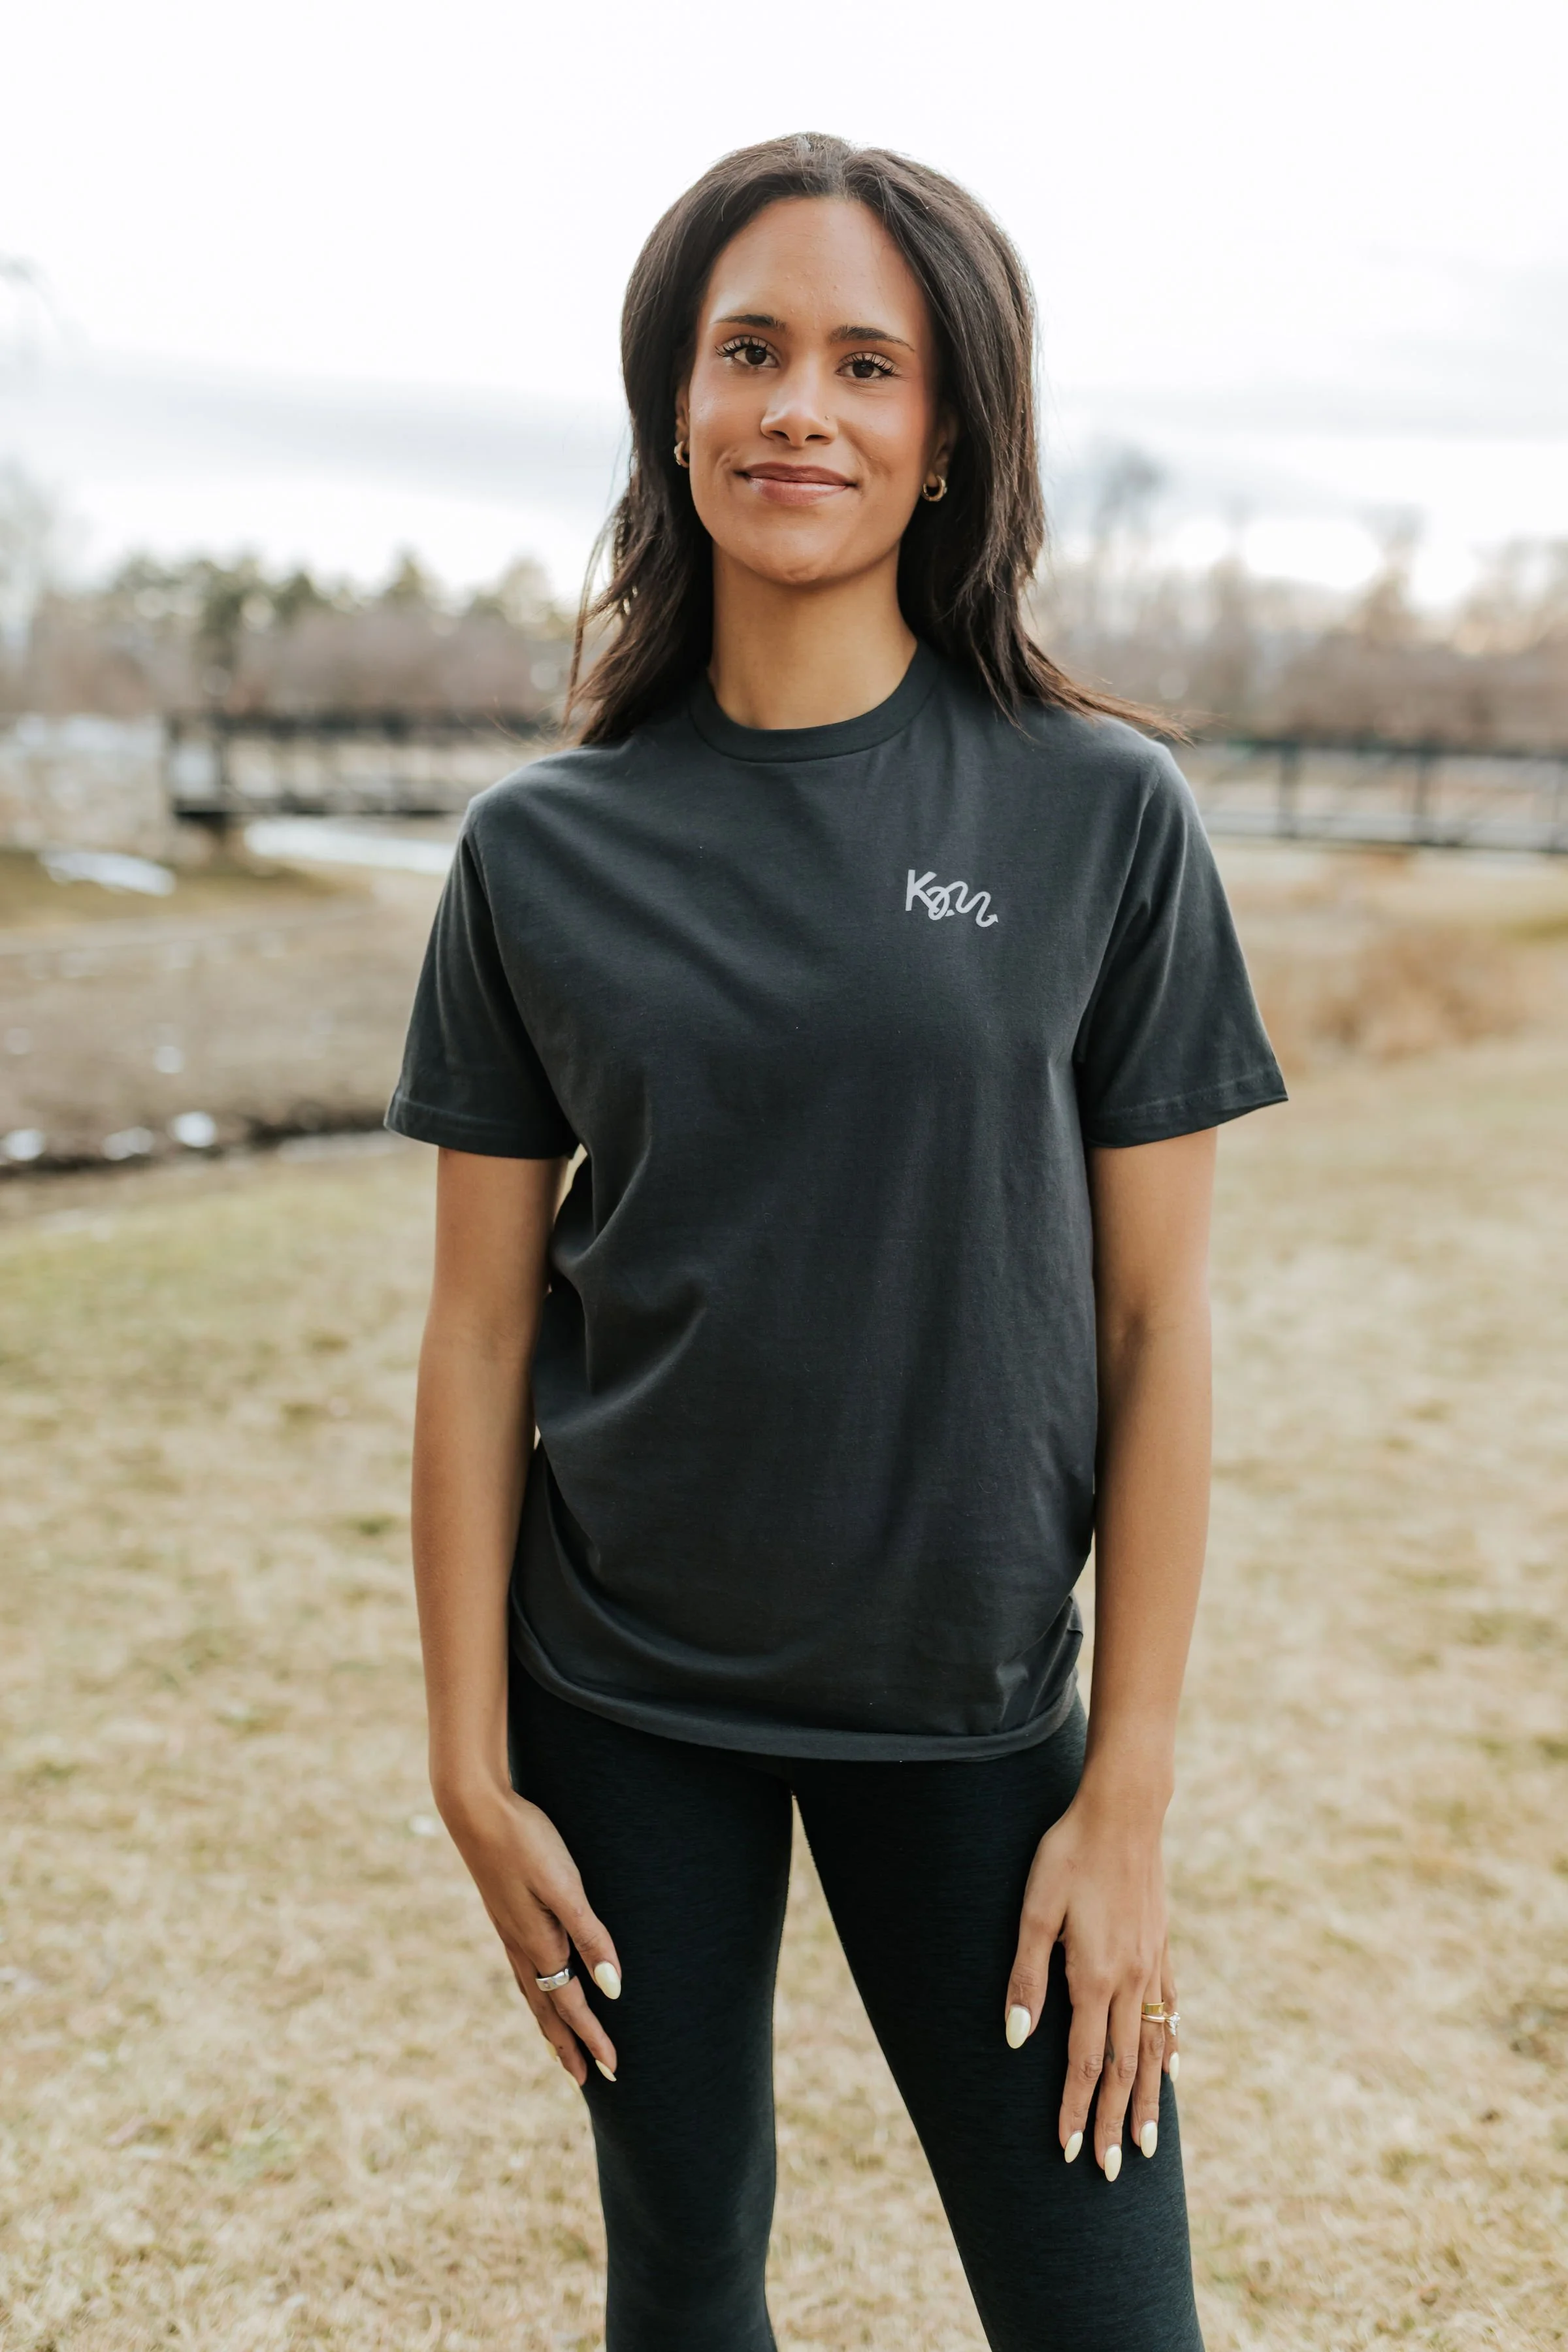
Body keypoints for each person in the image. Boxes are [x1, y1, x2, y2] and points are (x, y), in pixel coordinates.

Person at [388, 131, 1285, 2352]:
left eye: (866, 363)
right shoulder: (538, 850)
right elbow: (481, 1332)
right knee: (686, 2272)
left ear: (949, 432)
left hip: (979, 1713)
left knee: (1106, 2314)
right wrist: (467, 1763)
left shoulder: (1099, 814)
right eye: (751, 352)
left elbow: (1165, 1328)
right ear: (673, 409)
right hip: (621, 1701)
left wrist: (1128, 1799)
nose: (802, 407)